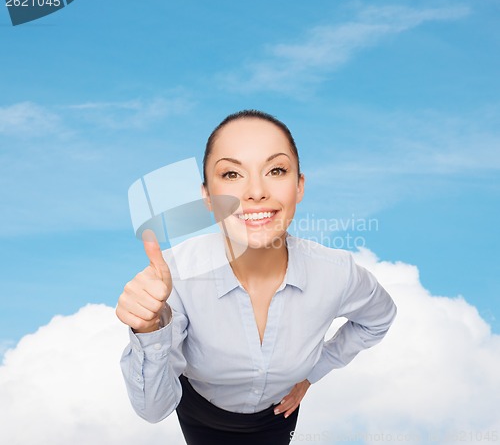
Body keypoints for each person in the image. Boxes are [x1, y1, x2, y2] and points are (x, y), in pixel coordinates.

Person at [116, 110, 397, 445]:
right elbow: (153, 408)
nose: (255, 192)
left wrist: (313, 372)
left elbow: (378, 319)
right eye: (232, 174)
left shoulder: (337, 273)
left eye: (276, 170)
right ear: (208, 197)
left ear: (299, 186)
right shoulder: (177, 276)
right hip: (200, 411)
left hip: (277, 415)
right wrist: (148, 330)